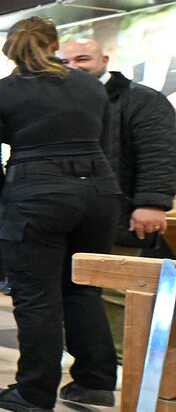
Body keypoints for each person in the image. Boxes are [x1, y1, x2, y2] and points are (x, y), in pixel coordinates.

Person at [0, 17, 121, 412]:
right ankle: (95, 381)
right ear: (55, 44)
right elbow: (106, 145)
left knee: (36, 295)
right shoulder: (90, 85)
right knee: (84, 288)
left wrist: (3, 195)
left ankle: (34, 392)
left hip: (36, 191)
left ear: (9, 48)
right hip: (99, 190)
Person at [60, 37, 176, 363]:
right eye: (65, 62)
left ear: (105, 59)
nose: (74, 67)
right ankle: (83, 358)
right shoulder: (62, 102)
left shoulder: (142, 99)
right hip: (70, 215)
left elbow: (160, 154)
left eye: (82, 59)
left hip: (121, 214)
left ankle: (120, 363)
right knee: (70, 286)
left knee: (112, 290)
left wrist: (151, 203)